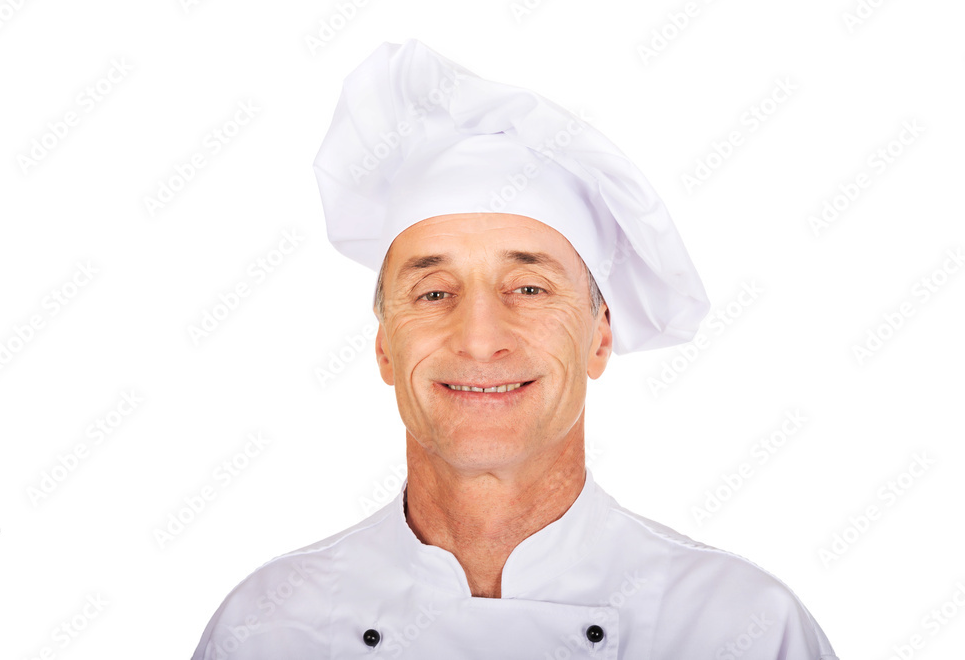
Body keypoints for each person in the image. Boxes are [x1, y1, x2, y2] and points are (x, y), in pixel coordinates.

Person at [190, 39, 839, 659]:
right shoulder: (268, 627)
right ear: (386, 345)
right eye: (433, 291)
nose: (479, 338)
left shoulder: (740, 626)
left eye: (528, 287)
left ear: (599, 335)